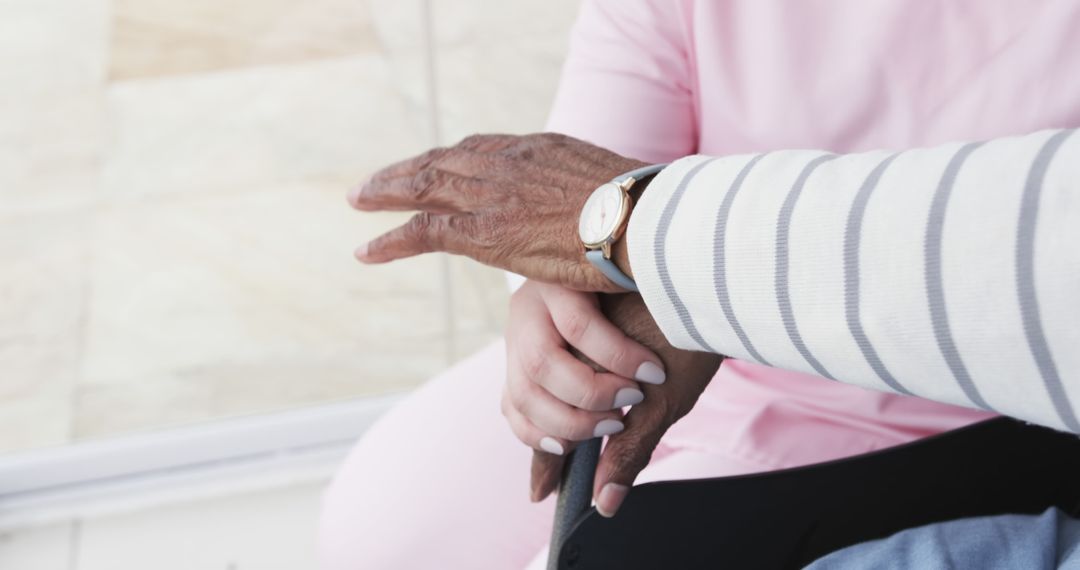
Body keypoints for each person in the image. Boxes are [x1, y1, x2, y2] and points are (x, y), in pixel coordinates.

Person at [319, 1, 1080, 568]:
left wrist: (672, 264)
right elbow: (576, 207)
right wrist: (557, 309)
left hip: (1001, 401)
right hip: (723, 362)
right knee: (422, 529)